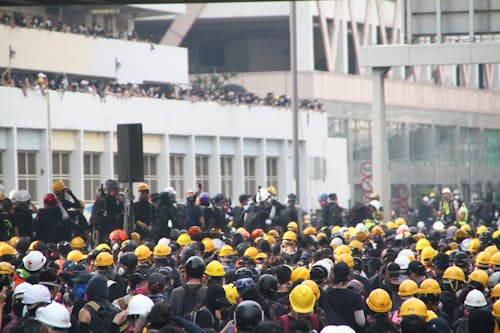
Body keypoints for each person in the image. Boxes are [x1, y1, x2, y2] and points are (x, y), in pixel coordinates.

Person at [321, 262, 365, 332]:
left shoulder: (324, 294)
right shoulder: (355, 296)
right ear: (348, 276)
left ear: (333, 275)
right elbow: (361, 322)